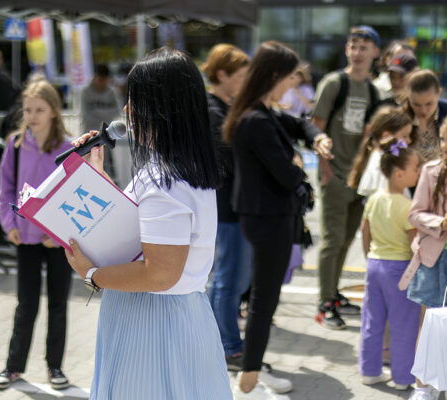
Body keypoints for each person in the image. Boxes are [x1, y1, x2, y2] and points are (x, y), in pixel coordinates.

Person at [65, 47, 232, 400]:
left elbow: (159, 274)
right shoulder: (182, 169)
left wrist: (91, 275)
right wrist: (95, 172)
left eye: (135, 100)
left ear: (160, 106)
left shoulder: (164, 180)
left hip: (152, 324)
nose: (127, 110)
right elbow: (135, 224)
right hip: (179, 317)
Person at [223, 40, 332, 399]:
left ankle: (251, 372)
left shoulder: (260, 111)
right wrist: (298, 165)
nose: (293, 84)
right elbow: (287, 174)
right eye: (290, 77)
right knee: (263, 301)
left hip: (266, 217)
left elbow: (300, 125)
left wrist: (317, 138)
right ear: (273, 76)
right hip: (268, 219)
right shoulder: (256, 119)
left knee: (262, 298)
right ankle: (249, 380)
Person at [0, 80, 74, 391]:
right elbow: (5, 190)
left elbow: (75, 195)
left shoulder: (69, 148)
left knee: (58, 304)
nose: (32, 115)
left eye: (39, 109)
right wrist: (9, 224)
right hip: (24, 237)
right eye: (27, 110)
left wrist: (61, 232)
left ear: (54, 111)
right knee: (26, 305)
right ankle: (14, 366)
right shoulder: (15, 145)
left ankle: (55, 366)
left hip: (56, 242)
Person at [402, 109, 447, 400]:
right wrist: (440, 223)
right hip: (433, 260)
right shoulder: (431, 170)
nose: (444, 144)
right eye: (442, 138)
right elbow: (414, 214)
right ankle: (422, 387)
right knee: (429, 326)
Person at [311, 25, 382, 329]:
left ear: (375, 52)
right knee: (332, 240)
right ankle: (324, 303)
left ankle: (334, 293)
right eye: (353, 46)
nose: (358, 52)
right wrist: (326, 173)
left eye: (364, 47)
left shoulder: (373, 90)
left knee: (346, 240)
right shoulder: (334, 83)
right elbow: (315, 128)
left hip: (358, 180)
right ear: (346, 50)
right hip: (335, 175)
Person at [200, 43, 250, 372]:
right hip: (227, 207)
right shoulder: (212, 111)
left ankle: (224, 342)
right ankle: (228, 346)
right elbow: (231, 160)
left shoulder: (222, 107)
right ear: (222, 74)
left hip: (231, 206)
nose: (244, 81)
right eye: (241, 75)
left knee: (229, 279)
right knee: (228, 280)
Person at [358, 137, 420, 391]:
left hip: (374, 264)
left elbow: (365, 231)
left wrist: (369, 256)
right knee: (403, 323)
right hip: (399, 268)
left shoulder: (374, 199)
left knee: (372, 320)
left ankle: (369, 371)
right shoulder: (408, 206)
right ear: (398, 174)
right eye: (415, 168)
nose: (418, 173)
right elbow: (414, 243)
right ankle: (403, 378)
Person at [349, 106, 414, 197]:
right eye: (404, 136)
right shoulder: (381, 164)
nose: (409, 141)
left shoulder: (384, 159)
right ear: (386, 136)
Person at [404, 69, 447, 165]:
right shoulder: (402, 117)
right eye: (416, 105)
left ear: (439, 92)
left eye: (429, 104)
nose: (423, 111)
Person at [78, 63, 120, 133]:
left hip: (107, 133)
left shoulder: (112, 92)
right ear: (94, 78)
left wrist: (96, 112)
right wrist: (106, 115)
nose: (102, 82)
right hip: (89, 133)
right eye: (100, 79)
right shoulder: (85, 92)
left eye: (105, 80)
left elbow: (117, 112)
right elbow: (85, 115)